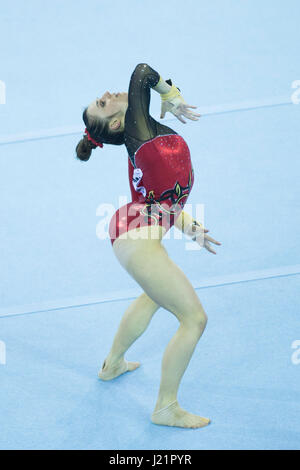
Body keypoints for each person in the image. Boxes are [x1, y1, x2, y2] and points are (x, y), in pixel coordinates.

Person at [76, 63, 221, 428]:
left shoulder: (142, 140)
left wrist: (190, 226)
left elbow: (156, 196)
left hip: (133, 224)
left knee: (154, 297)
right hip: (136, 236)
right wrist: (170, 94)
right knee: (194, 319)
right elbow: (142, 72)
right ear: (115, 124)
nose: (107, 94)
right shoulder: (137, 131)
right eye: (102, 102)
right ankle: (165, 407)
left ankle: (113, 365)